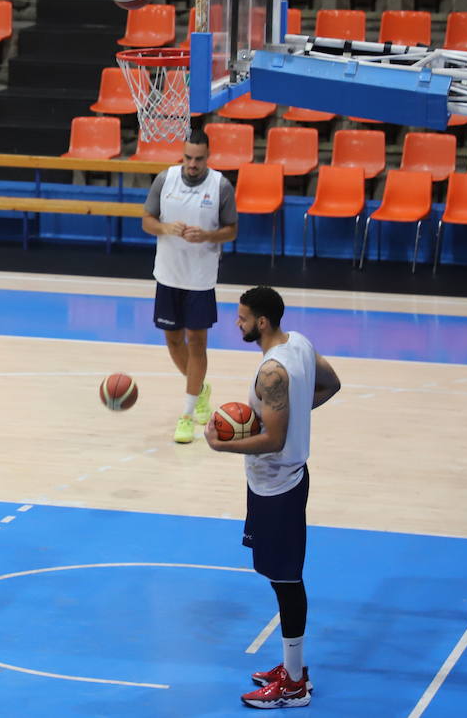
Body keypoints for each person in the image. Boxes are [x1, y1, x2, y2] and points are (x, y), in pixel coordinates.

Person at [204, 286, 341, 709]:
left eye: (242, 317)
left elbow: (273, 438)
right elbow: (332, 384)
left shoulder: (271, 374)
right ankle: (292, 668)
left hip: (277, 486)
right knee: (278, 576)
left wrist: (220, 445)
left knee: (286, 582)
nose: (237, 323)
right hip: (275, 482)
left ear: (262, 322)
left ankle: (295, 683)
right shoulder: (298, 342)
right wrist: (297, 412)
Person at [140, 128, 237, 444]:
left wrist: (208, 236)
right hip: (168, 274)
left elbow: (231, 230)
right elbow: (147, 221)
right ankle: (200, 387)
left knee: (196, 340)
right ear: (182, 155)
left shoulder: (220, 186)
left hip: (200, 277)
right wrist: (165, 227)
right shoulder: (164, 180)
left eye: (198, 159)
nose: (192, 164)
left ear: (208, 157)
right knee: (172, 340)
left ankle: (187, 413)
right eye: (188, 158)